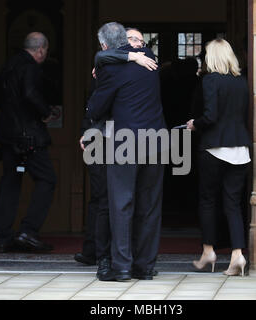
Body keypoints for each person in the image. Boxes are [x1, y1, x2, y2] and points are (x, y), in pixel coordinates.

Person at [84, 22, 166, 281]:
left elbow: (96, 109)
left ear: (106, 46)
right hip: (156, 141)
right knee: (150, 206)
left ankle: (121, 267)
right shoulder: (149, 59)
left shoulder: (109, 67)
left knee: (121, 203)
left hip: (125, 142)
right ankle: (145, 267)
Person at [187, 39, 252, 276]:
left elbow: (211, 116)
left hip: (214, 147)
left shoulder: (210, 80)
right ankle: (237, 255)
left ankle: (208, 251)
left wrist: (195, 124)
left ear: (211, 57)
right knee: (233, 204)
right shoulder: (242, 81)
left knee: (208, 202)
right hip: (241, 150)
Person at [0, 32, 56, 253]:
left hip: (8, 136)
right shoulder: (30, 66)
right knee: (47, 179)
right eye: (46, 52)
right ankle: (28, 231)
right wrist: (46, 113)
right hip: (29, 136)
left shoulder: (9, 65)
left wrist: (12, 111)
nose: (45, 56)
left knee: (10, 182)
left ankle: (3, 237)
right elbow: (30, 92)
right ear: (40, 50)